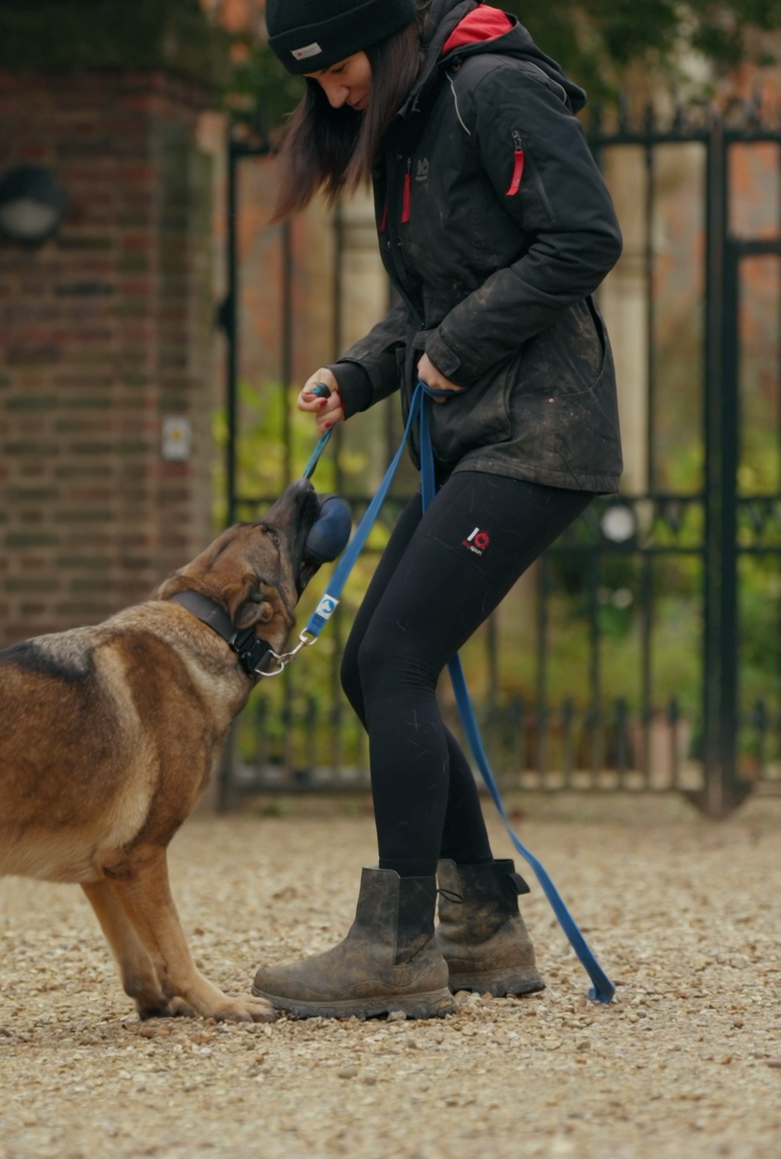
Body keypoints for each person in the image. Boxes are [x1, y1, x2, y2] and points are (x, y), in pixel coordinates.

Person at [251, 0, 623, 1019]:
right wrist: (357, 373)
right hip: (473, 439)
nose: (332, 95)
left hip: (540, 432)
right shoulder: (412, 119)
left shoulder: (493, 90)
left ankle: (398, 946)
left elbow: (584, 236)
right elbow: (425, 307)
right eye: (315, 83)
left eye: (337, 71)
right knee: (374, 668)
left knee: (397, 657)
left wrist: (455, 349)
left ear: (387, 35)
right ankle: (482, 928)